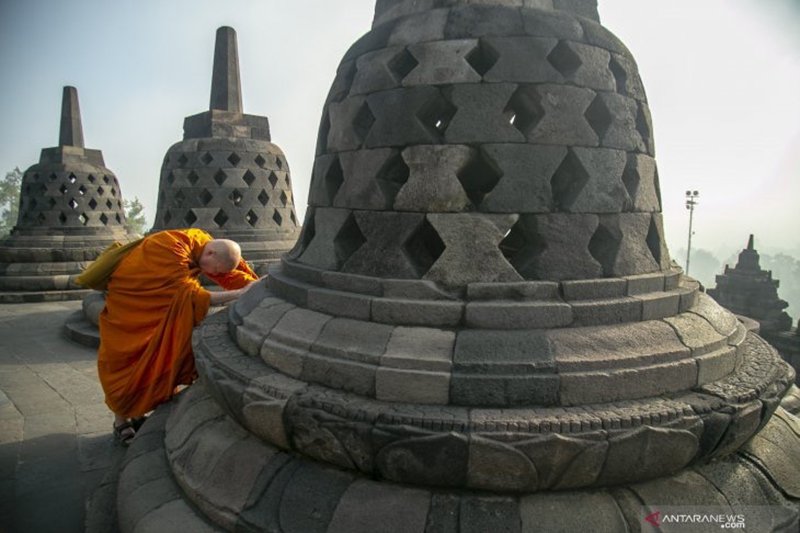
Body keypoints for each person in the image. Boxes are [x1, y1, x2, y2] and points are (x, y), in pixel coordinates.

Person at [95, 228, 258, 445]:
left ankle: (138, 413)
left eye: (217, 273)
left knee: (156, 359)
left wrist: (257, 285)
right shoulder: (170, 250)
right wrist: (238, 294)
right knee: (125, 365)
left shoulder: (202, 244)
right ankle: (120, 421)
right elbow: (190, 297)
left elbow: (231, 273)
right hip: (127, 311)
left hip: (155, 311)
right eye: (215, 271)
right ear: (210, 255)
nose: (215, 276)